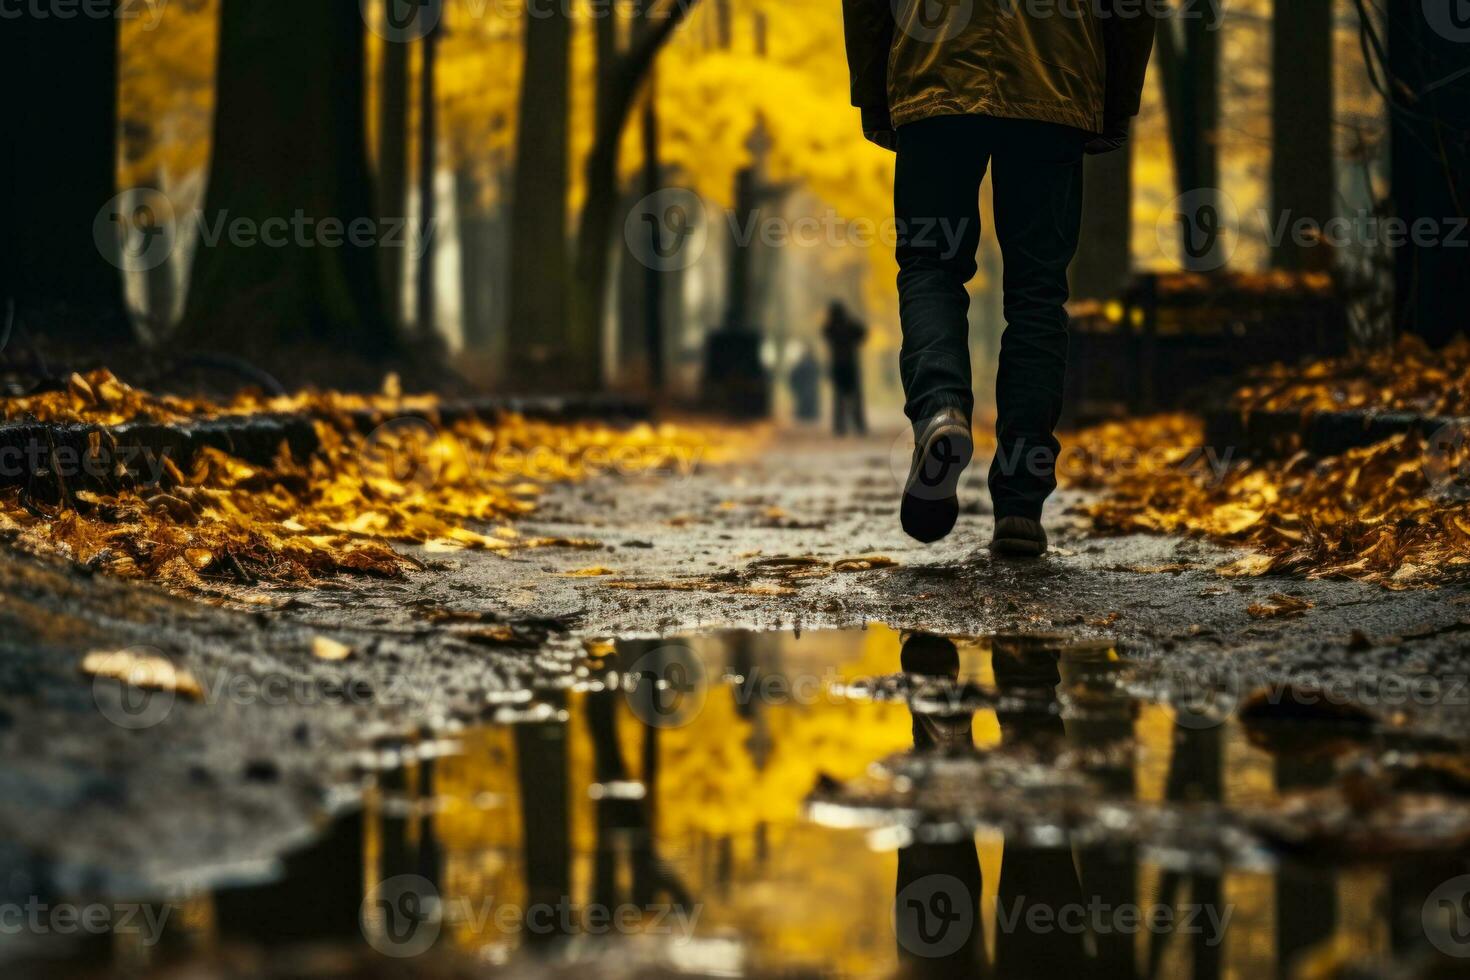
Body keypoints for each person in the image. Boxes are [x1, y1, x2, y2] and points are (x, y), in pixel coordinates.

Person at [843, 0, 1157, 555]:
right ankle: (1020, 504)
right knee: (1038, 294)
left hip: (932, 67)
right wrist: (1115, 96)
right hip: (1054, 75)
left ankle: (941, 411)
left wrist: (876, 91)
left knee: (930, 265)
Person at [821, 301, 868, 436]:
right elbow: (862, 333)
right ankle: (858, 425)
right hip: (850, 365)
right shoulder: (849, 326)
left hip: (838, 365)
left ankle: (840, 426)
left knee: (840, 397)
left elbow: (825, 333)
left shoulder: (832, 327)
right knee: (854, 397)